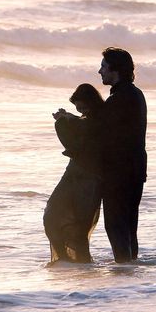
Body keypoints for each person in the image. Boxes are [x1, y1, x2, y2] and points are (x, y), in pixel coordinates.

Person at [43, 83, 104, 263]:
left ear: (93, 103)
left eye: (84, 108)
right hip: (73, 174)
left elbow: (79, 139)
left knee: (80, 224)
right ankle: (64, 258)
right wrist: (67, 118)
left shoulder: (100, 121)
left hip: (90, 179)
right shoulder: (85, 120)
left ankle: (81, 265)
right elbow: (81, 126)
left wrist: (64, 120)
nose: (82, 111)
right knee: (51, 215)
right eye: (78, 108)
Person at [98, 47, 147, 263]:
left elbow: (99, 131)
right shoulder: (135, 94)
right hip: (135, 169)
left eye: (103, 67)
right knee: (128, 225)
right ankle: (129, 268)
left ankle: (123, 270)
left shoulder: (119, 99)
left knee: (116, 225)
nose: (99, 72)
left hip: (120, 171)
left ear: (114, 70)